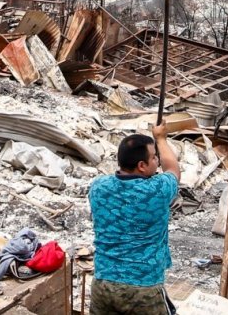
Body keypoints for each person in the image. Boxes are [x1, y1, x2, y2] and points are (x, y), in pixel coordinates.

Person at [88, 124, 181, 314]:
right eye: (154, 157)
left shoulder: (98, 187)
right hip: (143, 288)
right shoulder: (157, 190)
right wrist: (161, 138)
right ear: (142, 165)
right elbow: (173, 169)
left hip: (103, 283)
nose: (157, 161)